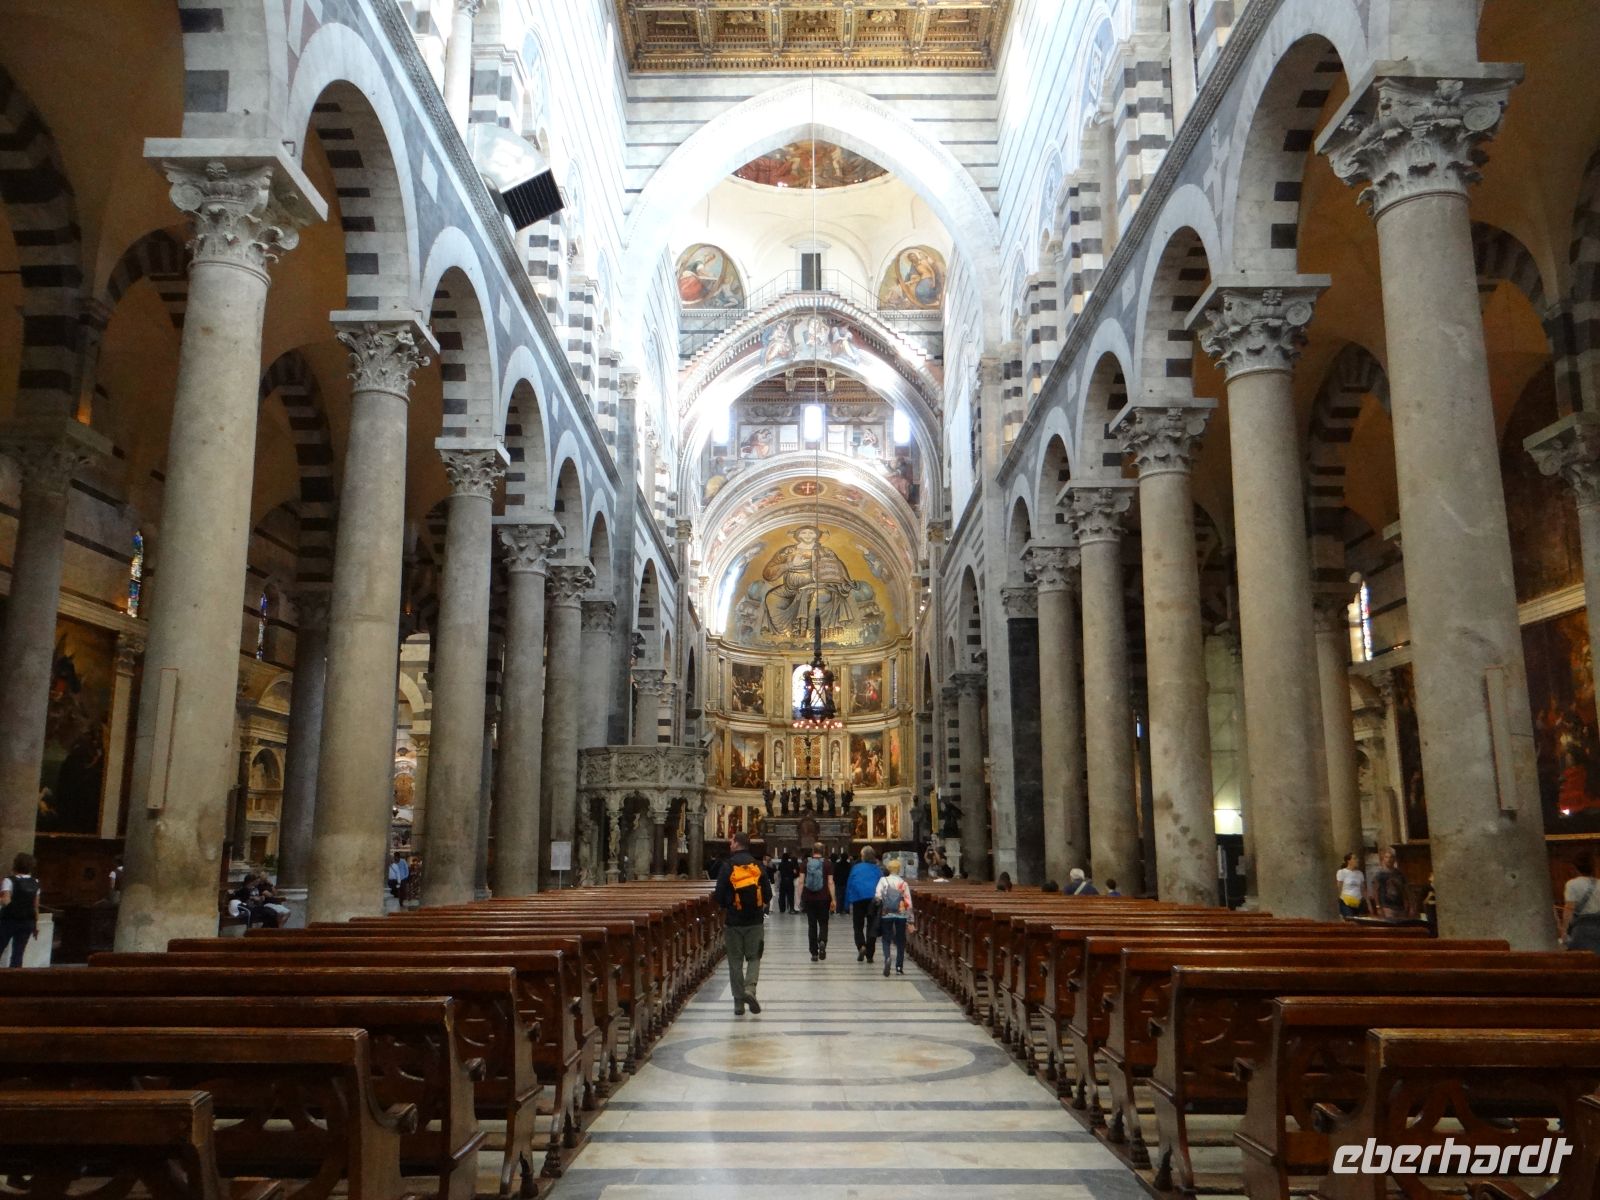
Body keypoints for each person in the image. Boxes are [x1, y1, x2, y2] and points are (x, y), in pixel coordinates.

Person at [713, 831, 771, 1015]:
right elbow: (768, 894)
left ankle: (738, 1003)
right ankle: (750, 990)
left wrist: (728, 906)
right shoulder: (758, 865)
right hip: (755, 920)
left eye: (731, 842)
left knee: (735, 961)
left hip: (734, 921)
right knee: (754, 957)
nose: (730, 845)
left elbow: (719, 893)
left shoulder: (727, 866)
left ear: (737, 844)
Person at [844, 846, 884, 962]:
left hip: (858, 899)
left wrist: (846, 904)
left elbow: (849, 884)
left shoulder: (856, 868)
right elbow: (882, 885)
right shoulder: (877, 869)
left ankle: (861, 946)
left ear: (863, 856)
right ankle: (870, 954)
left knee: (858, 925)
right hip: (873, 899)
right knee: (872, 926)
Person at [0, 854, 41, 968]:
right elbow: (35, 906)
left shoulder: (9, 881)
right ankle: (14, 980)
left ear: (15, 865)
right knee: (18, 954)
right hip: (27, 922)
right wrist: (36, 925)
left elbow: (6, 901)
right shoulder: (35, 882)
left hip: (9, 920)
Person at [875, 858, 914, 976]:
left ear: (888, 869)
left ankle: (887, 957)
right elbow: (908, 902)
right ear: (899, 869)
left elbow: (877, 896)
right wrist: (911, 920)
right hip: (901, 914)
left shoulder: (883, 880)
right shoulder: (903, 883)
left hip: (886, 913)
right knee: (900, 940)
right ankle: (899, 967)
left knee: (886, 938)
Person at [799, 842, 833, 960]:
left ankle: (814, 952)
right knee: (823, 922)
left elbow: (801, 881)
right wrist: (833, 898)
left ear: (813, 851)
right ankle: (822, 940)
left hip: (809, 898)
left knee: (812, 925)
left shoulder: (805, 863)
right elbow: (830, 882)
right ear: (823, 851)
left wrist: (800, 898)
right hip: (823, 898)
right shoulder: (827, 864)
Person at [1562, 853, 1600, 952]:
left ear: (1574, 868)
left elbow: (1569, 910)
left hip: (1582, 929)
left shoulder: (1572, 884)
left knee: (1582, 961)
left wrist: (1564, 931)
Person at [1369, 846, 1409, 920]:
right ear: (1383, 860)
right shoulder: (1379, 875)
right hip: (1386, 906)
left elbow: (1405, 889)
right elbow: (1375, 891)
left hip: (1400, 905)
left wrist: (1407, 902)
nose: (1389, 860)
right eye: (1386, 857)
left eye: (1391, 857)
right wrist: (1378, 906)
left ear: (1394, 859)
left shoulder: (1399, 874)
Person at [1336, 852, 1365, 918]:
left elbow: (1363, 888)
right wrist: (1340, 899)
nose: (1357, 860)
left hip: (1358, 901)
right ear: (1349, 861)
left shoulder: (1360, 873)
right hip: (1346, 901)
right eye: (1354, 858)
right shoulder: (1342, 872)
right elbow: (1339, 887)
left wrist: (1365, 900)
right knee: (1350, 920)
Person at [831, 847, 853, 915]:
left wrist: (835, 881)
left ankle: (838, 910)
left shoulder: (837, 865)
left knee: (839, 897)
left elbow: (835, 874)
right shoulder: (849, 865)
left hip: (839, 883)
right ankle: (846, 910)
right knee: (846, 897)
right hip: (846, 883)